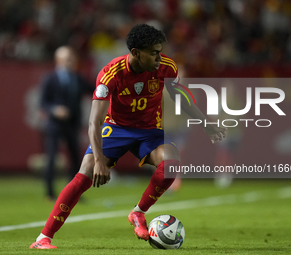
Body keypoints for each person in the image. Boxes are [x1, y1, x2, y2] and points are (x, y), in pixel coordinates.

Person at [30, 24, 226, 249]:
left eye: (160, 51)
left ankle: (138, 213)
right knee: (85, 173)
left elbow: (181, 95)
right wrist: (101, 161)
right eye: (153, 53)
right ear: (135, 53)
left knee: (170, 164)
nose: (159, 58)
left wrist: (206, 123)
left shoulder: (166, 67)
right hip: (116, 130)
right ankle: (43, 238)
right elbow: (94, 122)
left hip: (150, 131)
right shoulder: (111, 73)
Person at [40, 46, 94, 201]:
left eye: (72, 58)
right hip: (55, 124)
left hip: (72, 124)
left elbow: (94, 89)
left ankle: (73, 192)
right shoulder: (50, 78)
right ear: (59, 60)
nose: (72, 61)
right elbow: (43, 102)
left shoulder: (77, 78)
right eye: (68, 58)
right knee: (51, 158)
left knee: (76, 158)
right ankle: (50, 192)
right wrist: (54, 109)